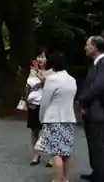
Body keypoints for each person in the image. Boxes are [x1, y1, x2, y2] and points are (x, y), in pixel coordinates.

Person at [38, 51, 77, 182]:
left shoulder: (52, 79)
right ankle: (65, 179)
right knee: (66, 152)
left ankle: (56, 180)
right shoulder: (72, 80)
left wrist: (41, 117)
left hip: (53, 118)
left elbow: (45, 102)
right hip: (69, 118)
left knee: (56, 153)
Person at [79, 35, 104, 181]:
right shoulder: (94, 64)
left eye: (88, 44)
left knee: (99, 144)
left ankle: (102, 175)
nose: (85, 47)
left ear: (95, 47)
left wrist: (82, 99)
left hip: (99, 111)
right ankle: (96, 171)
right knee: (92, 143)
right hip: (91, 110)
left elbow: (98, 86)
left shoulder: (103, 63)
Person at [26, 49, 53, 166]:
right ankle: (36, 154)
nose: (39, 59)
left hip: (47, 105)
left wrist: (39, 72)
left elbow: (49, 84)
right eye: (38, 56)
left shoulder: (52, 71)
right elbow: (29, 84)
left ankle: (54, 156)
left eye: (43, 57)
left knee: (50, 131)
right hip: (34, 104)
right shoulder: (32, 71)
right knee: (34, 130)